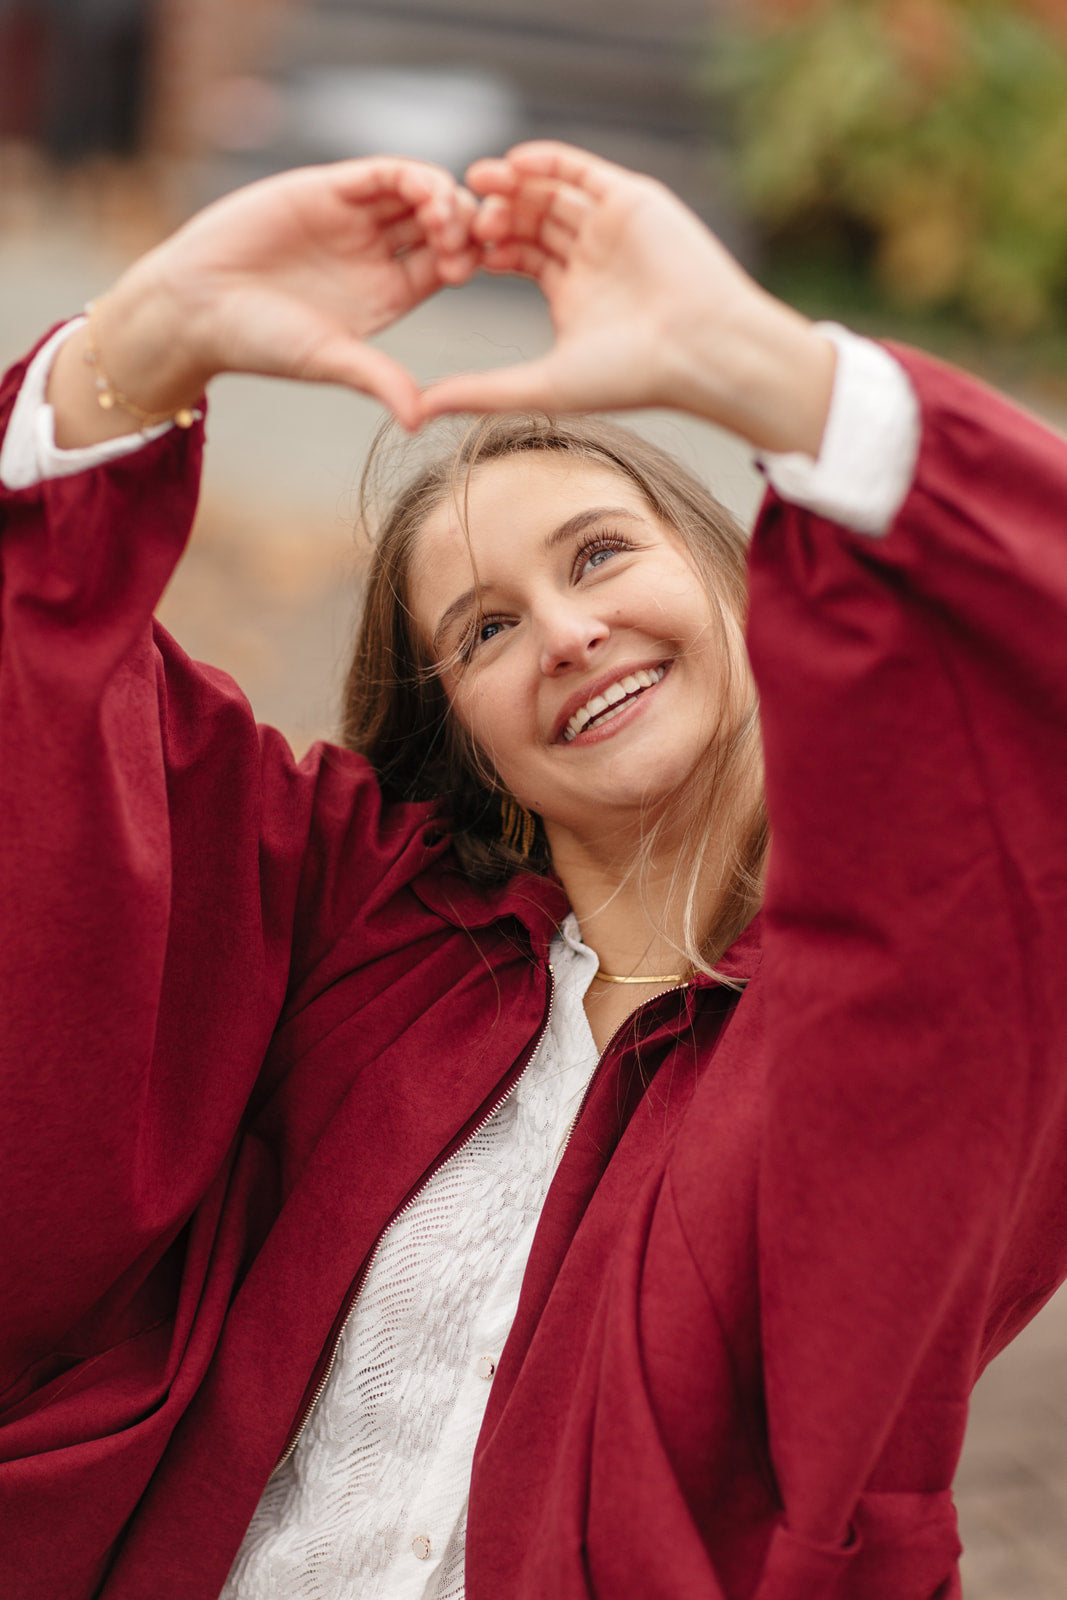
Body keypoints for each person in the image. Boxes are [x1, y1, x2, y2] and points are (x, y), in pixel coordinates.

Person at [1, 143, 1066, 1600]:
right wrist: (148, 340)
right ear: (468, 741)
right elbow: (54, 721)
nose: (566, 635)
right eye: (486, 632)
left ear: (735, 583)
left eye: (601, 556)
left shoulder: (893, 1010)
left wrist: (765, 372)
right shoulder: (359, 925)